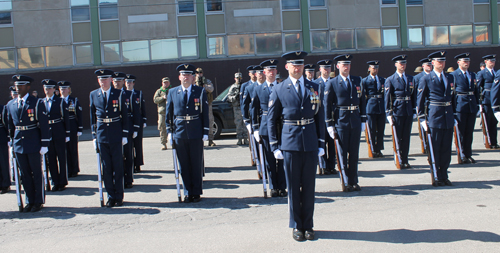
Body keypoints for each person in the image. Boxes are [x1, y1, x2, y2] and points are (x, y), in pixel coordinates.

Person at [268, 51, 324, 241]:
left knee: (309, 186)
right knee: (292, 187)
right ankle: (296, 225)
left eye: (300, 65)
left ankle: (308, 224)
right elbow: (272, 119)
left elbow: (319, 117)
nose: (297, 68)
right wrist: (275, 145)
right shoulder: (279, 89)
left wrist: (321, 142)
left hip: (309, 141)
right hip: (290, 143)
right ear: (287, 67)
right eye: (294, 65)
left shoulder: (314, 87)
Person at [6, 75, 50, 212]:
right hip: (19, 143)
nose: (18, 88)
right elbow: (10, 126)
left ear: (28, 87)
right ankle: (29, 200)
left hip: (33, 141)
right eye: (16, 86)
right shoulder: (11, 104)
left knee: (36, 172)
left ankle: (38, 201)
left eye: (21, 86)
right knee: (24, 174)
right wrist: (11, 141)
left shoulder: (36, 103)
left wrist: (44, 143)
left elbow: (43, 124)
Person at [166, 63, 209, 203]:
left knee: (196, 163)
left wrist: (205, 131)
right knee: (183, 164)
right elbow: (169, 114)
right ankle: (187, 191)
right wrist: (169, 132)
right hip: (179, 132)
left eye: (189, 75)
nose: (186, 77)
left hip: (196, 131)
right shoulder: (172, 92)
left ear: (193, 77)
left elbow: (204, 113)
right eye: (183, 75)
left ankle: (196, 192)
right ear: (179, 77)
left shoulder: (200, 91)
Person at [325, 54, 366, 192]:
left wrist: (363, 119)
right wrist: (329, 124)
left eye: (348, 64)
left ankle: (354, 180)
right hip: (341, 121)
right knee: (342, 153)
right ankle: (345, 180)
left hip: (354, 119)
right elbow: (327, 105)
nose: (346, 67)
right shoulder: (333, 82)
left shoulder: (357, 80)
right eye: (343, 64)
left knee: (354, 153)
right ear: (337, 66)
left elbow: (362, 101)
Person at [89, 69, 128, 207]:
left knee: (117, 166)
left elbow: (125, 115)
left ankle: (119, 195)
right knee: (106, 167)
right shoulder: (94, 94)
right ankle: (110, 196)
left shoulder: (119, 94)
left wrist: (124, 134)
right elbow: (92, 116)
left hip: (116, 133)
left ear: (110, 80)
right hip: (101, 134)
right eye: (100, 79)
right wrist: (94, 136)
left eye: (105, 79)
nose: (102, 82)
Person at [418, 51, 456, 186]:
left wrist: (455, 115)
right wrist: (422, 118)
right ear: (432, 63)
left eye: (443, 61)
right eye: (439, 61)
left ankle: (444, 175)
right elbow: (420, 100)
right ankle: (435, 175)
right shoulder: (427, 78)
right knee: (435, 148)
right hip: (435, 117)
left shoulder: (450, 77)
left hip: (448, 116)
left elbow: (453, 98)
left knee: (446, 148)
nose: (441, 63)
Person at [252, 59, 287, 197]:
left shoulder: (282, 86)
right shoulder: (258, 89)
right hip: (266, 127)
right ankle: (273, 186)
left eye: (273, 70)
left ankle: (282, 186)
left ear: (276, 72)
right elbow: (253, 110)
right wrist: (255, 128)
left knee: (282, 159)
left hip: (282, 126)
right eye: (269, 70)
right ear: (264, 72)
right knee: (270, 160)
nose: (271, 73)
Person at [384, 55, 416, 169]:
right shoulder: (391, 79)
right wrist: (389, 112)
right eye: (400, 63)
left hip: (407, 110)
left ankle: (405, 159)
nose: (402, 65)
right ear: (395, 64)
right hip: (397, 110)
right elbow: (388, 97)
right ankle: (398, 158)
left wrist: (413, 110)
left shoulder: (411, 78)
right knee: (398, 137)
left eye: (404, 63)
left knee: (406, 136)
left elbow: (414, 96)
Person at [42, 79, 70, 191]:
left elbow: (66, 118)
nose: (47, 90)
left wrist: (67, 133)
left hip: (58, 130)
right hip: (48, 133)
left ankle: (62, 181)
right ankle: (55, 181)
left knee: (61, 157)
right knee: (51, 158)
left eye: (49, 88)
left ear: (54, 89)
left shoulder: (60, 101)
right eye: (45, 88)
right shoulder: (41, 102)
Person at [113, 72, 139, 188]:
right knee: (116, 155)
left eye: (119, 81)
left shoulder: (129, 94)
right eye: (115, 81)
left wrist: (136, 128)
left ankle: (128, 178)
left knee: (128, 155)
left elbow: (136, 112)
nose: (117, 83)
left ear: (123, 82)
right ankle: (117, 178)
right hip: (114, 129)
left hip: (127, 128)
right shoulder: (110, 95)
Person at [451, 53, 478, 164]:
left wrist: (477, 105)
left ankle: (468, 154)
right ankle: (461, 154)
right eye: (464, 61)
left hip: (471, 106)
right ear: (458, 62)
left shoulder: (472, 74)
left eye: (468, 61)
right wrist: (452, 109)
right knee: (460, 132)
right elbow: (452, 93)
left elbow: (476, 91)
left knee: (469, 132)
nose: (466, 63)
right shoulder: (453, 75)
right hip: (460, 106)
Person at [314, 59, 336, 175]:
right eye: (324, 68)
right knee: (321, 141)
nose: (326, 70)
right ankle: (322, 165)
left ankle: (331, 166)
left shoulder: (334, 82)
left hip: (332, 117)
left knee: (332, 143)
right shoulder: (315, 83)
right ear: (320, 69)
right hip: (320, 118)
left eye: (328, 68)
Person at [59, 81, 83, 177]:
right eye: (61, 89)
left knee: (72, 148)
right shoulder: (57, 101)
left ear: (69, 90)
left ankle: (74, 169)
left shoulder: (74, 100)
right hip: (61, 126)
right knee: (63, 150)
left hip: (72, 125)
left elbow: (79, 115)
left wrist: (80, 128)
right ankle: (67, 170)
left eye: (65, 89)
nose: (63, 91)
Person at [362, 60, 386, 158]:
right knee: (371, 130)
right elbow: (363, 96)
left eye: (376, 68)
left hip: (381, 107)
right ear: (369, 69)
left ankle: (379, 149)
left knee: (380, 130)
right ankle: (372, 148)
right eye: (373, 68)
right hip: (370, 107)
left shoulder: (382, 80)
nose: (375, 69)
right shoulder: (365, 81)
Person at [125, 74, 147, 173]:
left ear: (133, 83)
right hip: (128, 121)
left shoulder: (138, 93)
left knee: (137, 144)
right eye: (127, 82)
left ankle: (138, 164)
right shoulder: (122, 93)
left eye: (130, 82)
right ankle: (130, 164)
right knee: (128, 145)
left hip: (138, 120)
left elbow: (142, 107)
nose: (128, 84)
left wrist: (144, 120)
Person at [477, 54, 499, 149]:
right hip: (487, 100)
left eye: (493, 61)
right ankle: (488, 141)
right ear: (485, 62)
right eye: (490, 61)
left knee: (494, 123)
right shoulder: (482, 73)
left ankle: (494, 142)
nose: (492, 63)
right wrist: (479, 101)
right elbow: (478, 87)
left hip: (495, 101)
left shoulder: (496, 72)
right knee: (487, 122)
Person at [195, 68, 216, 146]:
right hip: (197, 104)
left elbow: (211, 89)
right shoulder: (193, 81)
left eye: (200, 72)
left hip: (207, 103)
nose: (199, 74)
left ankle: (210, 140)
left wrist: (205, 86)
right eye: (197, 72)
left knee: (210, 120)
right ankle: (200, 140)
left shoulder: (207, 81)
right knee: (198, 121)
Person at [226, 72, 248, 145]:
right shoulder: (233, 87)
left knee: (245, 123)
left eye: (240, 78)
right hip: (237, 107)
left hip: (244, 107)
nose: (239, 79)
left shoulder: (244, 86)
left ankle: (245, 138)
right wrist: (234, 97)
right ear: (235, 78)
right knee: (238, 123)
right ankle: (239, 138)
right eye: (237, 78)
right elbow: (228, 97)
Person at [153, 77, 171, 150]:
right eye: (164, 82)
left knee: (172, 128)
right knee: (162, 128)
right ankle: (163, 143)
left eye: (167, 82)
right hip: (162, 112)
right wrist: (162, 98)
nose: (165, 84)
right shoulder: (159, 91)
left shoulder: (171, 90)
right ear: (162, 83)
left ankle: (174, 142)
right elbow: (155, 100)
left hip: (170, 112)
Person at [0, 103, 9, 194]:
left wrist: (8, 136)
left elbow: (6, 123)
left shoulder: (2, 108)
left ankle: (5, 184)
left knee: (3, 162)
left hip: (1, 137)